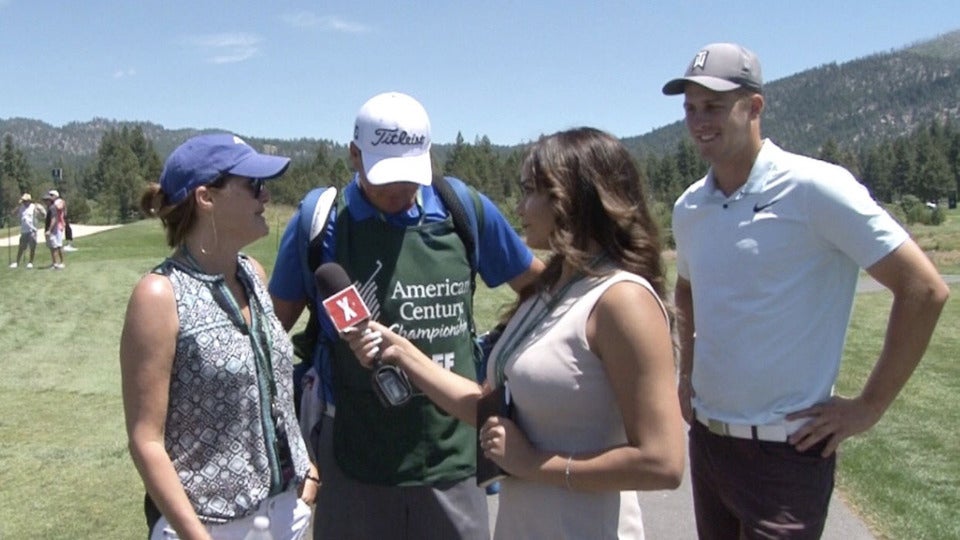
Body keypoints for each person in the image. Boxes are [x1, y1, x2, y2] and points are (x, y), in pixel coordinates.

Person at [662, 42, 950, 539]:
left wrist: (869, 406)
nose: (699, 121)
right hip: (709, 443)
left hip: (788, 455)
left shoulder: (816, 189)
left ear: (754, 106)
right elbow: (686, 290)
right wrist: (686, 373)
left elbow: (923, 289)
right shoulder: (690, 208)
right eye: (690, 108)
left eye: (713, 106)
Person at [342, 127, 686, 539]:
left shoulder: (622, 300)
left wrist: (534, 464)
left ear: (569, 198)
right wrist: (401, 352)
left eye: (529, 191)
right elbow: (490, 408)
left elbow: (662, 463)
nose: (519, 206)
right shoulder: (552, 290)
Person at [269, 91, 543, 539]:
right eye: (384, 177)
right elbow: (271, 332)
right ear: (354, 155)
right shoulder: (320, 221)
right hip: (353, 452)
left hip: (451, 448)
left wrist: (504, 355)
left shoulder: (463, 209)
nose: (397, 191)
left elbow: (539, 289)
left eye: (409, 175)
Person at [119, 133, 318, 540]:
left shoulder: (253, 274)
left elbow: (271, 387)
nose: (265, 196)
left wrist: (305, 467)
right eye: (254, 185)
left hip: (284, 514)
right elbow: (146, 440)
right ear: (206, 197)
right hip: (206, 526)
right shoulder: (159, 295)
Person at [9, 193, 44, 269]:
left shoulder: (34, 207)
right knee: (21, 247)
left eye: (25, 201)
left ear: (29, 201)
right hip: (24, 231)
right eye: (23, 201)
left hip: (32, 230)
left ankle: (30, 262)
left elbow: (42, 214)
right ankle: (17, 262)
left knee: (32, 247)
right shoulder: (21, 208)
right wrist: (18, 206)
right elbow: (12, 214)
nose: (24, 202)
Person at [42, 189, 66, 269]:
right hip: (54, 228)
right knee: (53, 247)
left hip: (56, 228)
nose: (45, 201)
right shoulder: (51, 206)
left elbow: (54, 218)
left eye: (51, 195)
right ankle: (55, 263)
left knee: (57, 246)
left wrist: (49, 230)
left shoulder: (55, 205)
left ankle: (59, 263)